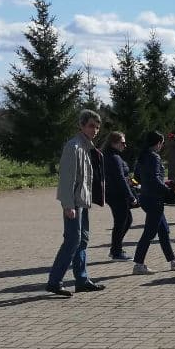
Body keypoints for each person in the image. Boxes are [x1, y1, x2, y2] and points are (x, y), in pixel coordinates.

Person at [46, 109, 105, 297]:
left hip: (83, 201)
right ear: (81, 126)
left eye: (97, 127)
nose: (94, 130)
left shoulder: (87, 147)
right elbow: (66, 178)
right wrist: (67, 204)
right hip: (73, 203)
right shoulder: (74, 147)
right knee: (73, 240)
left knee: (83, 240)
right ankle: (54, 281)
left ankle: (81, 279)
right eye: (90, 126)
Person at [132, 131, 175, 275]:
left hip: (146, 197)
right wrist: (168, 190)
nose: (162, 146)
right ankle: (138, 264)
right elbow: (155, 179)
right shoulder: (154, 157)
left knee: (163, 231)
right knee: (149, 233)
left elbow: (137, 176)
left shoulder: (142, 156)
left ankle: (173, 260)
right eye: (162, 143)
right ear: (157, 143)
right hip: (154, 199)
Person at [103, 131, 137, 260]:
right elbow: (120, 178)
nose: (125, 145)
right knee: (121, 222)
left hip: (114, 193)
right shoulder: (113, 157)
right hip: (117, 194)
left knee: (126, 220)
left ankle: (116, 248)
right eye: (122, 143)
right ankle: (116, 251)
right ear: (113, 143)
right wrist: (130, 196)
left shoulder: (111, 155)